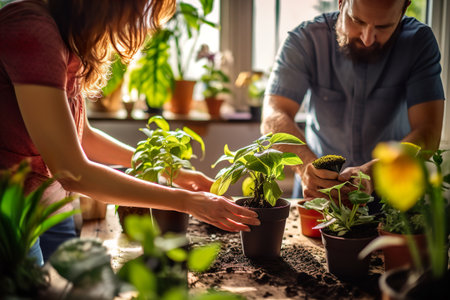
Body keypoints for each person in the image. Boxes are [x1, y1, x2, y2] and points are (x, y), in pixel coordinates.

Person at [0, 0, 259, 265]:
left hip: (46, 205)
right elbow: (74, 172)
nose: (139, 25)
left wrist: (174, 172)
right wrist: (188, 201)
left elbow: (82, 137)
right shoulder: (32, 31)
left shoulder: (66, 38)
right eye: (139, 11)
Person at [261, 0, 445, 203]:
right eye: (356, 21)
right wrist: (305, 166)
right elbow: (274, 114)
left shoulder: (419, 42)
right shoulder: (305, 39)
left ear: (405, 8)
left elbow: (428, 130)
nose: (367, 39)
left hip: (392, 196)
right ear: (341, 3)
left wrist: (376, 171)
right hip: (317, 193)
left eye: (383, 27)